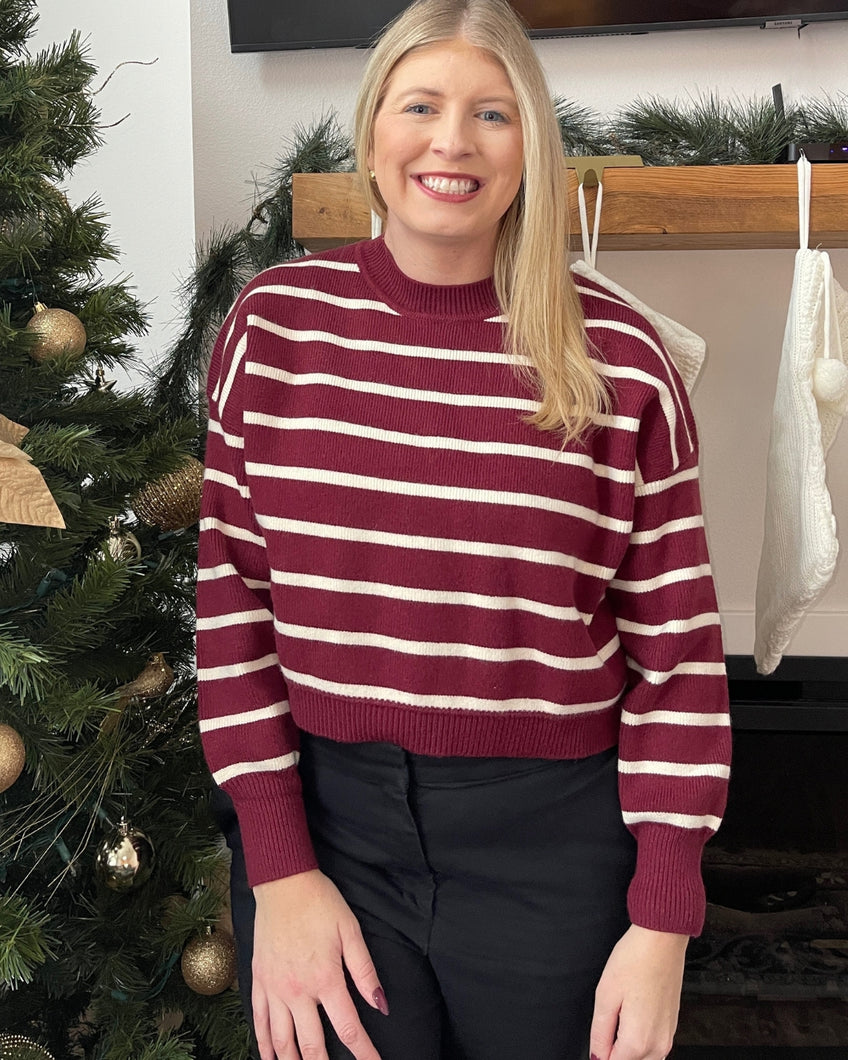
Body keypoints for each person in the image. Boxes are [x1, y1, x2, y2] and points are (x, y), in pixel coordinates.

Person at [195, 1, 732, 1058]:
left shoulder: (618, 359)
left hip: (554, 844)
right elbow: (232, 609)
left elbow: (678, 657)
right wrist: (279, 868)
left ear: (529, 142)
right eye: (422, 106)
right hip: (326, 828)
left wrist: (663, 918)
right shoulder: (274, 329)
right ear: (371, 129)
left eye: (491, 112)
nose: (451, 142)